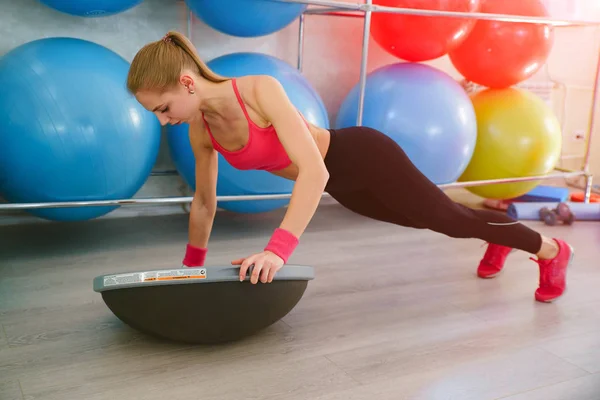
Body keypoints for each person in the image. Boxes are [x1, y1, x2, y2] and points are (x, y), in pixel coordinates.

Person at [126, 31, 573, 303]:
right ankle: (496, 233)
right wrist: (191, 268)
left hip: (361, 157)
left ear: (187, 82)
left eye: (164, 108)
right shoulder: (200, 128)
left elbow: (314, 173)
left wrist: (277, 251)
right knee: (435, 219)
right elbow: (204, 203)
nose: (165, 120)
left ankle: (551, 250)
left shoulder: (260, 90)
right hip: (344, 185)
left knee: (446, 218)